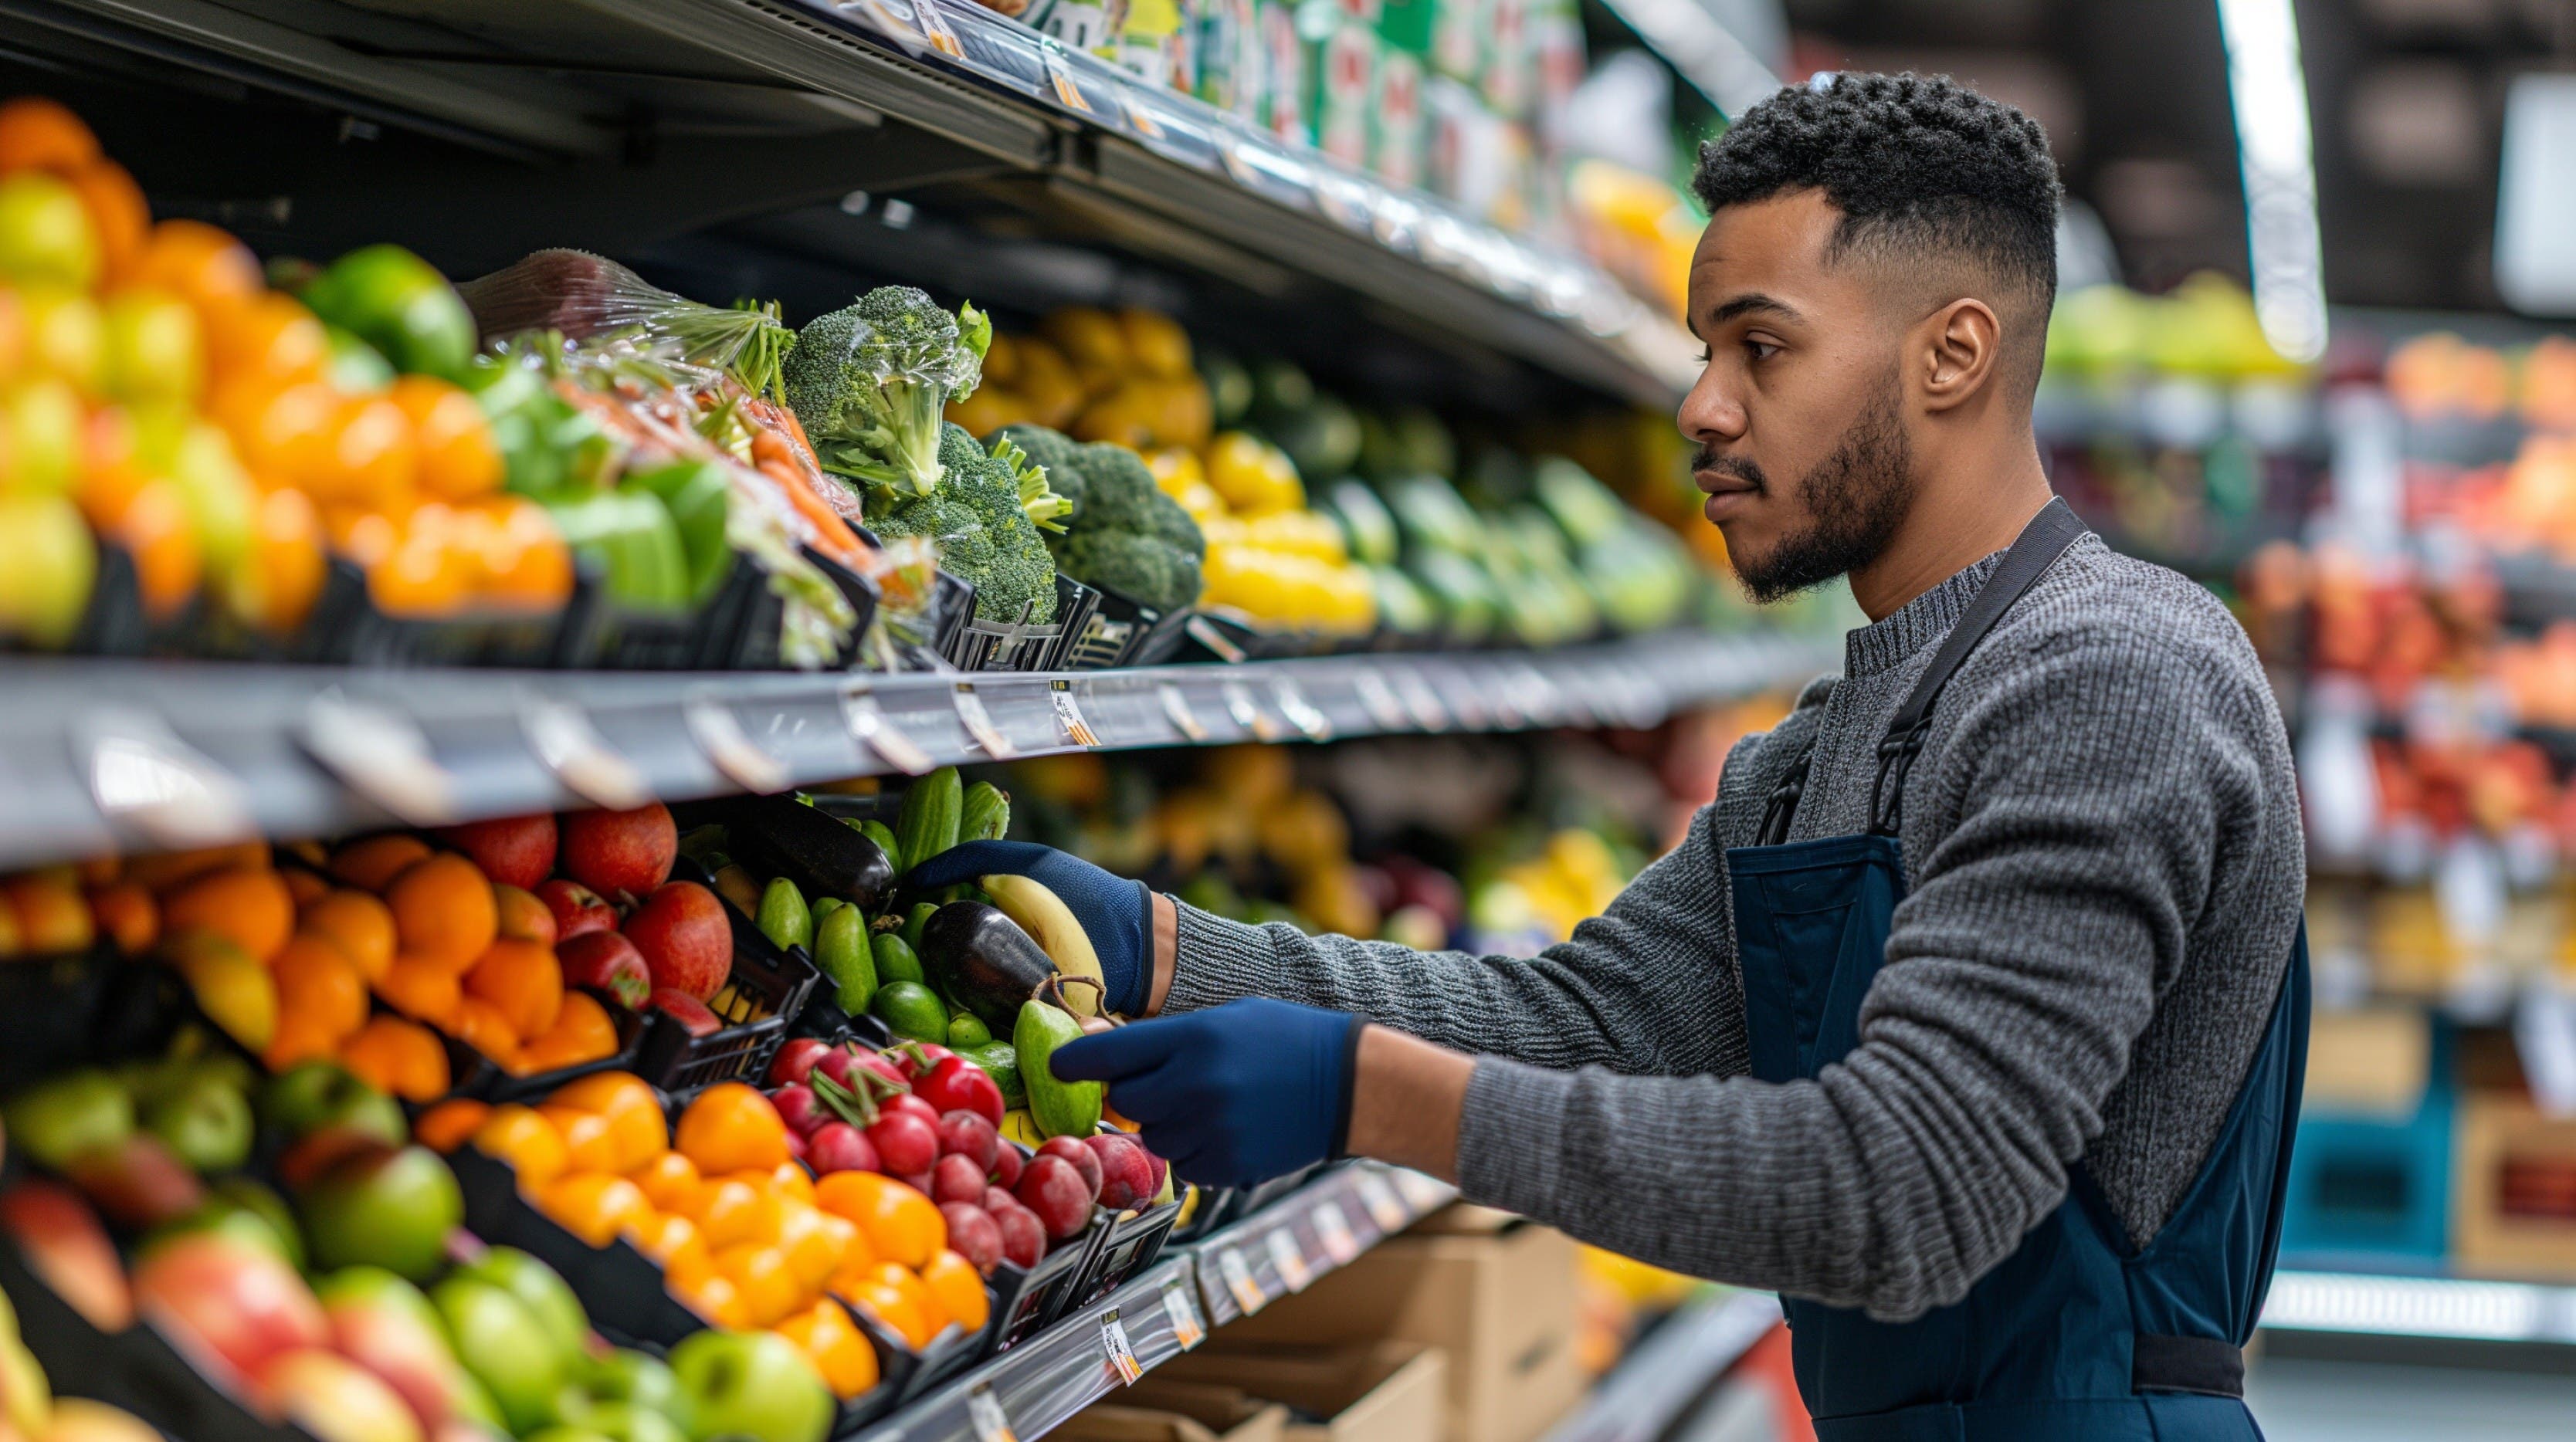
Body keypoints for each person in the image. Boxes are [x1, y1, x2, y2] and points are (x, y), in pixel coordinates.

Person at [909, 73, 2307, 1440]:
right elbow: (1597, 1026)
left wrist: (1363, 1093)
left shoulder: (2113, 674)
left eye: (1762, 347)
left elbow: (1908, 1189)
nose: (1702, 406)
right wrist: (1166, 949)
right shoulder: (1821, 750)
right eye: (1705, 350)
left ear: (1953, 353)